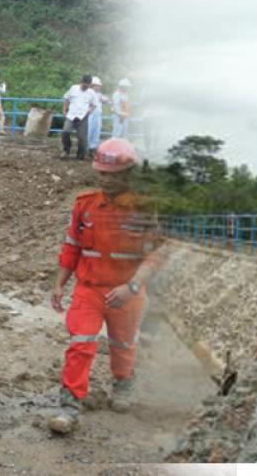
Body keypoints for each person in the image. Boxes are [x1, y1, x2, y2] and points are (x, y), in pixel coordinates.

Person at [48, 138, 163, 435]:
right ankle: (69, 406)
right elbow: (71, 246)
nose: (106, 179)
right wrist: (59, 284)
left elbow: (155, 254)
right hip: (89, 289)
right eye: (102, 173)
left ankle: (123, 383)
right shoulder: (85, 205)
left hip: (126, 292)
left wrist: (132, 287)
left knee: (123, 344)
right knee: (80, 343)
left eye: (113, 175)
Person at [61, 75, 97, 160]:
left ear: (90, 84)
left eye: (88, 85)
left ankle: (81, 154)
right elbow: (66, 99)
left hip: (83, 116)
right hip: (71, 115)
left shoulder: (91, 92)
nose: (86, 86)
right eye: (84, 84)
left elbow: (94, 104)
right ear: (81, 82)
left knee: (82, 137)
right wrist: (64, 110)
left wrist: (89, 111)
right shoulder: (73, 88)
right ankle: (66, 150)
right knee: (65, 132)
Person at [87, 77, 109, 157]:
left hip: (97, 116)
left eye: (99, 86)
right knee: (88, 131)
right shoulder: (88, 93)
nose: (98, 87)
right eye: (96, 86)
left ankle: (93, 148)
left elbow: (106, 100)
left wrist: (104, 99)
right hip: (89, 115)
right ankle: (86, 148)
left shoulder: (99, 94)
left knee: (96, 132)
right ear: (92, 85)